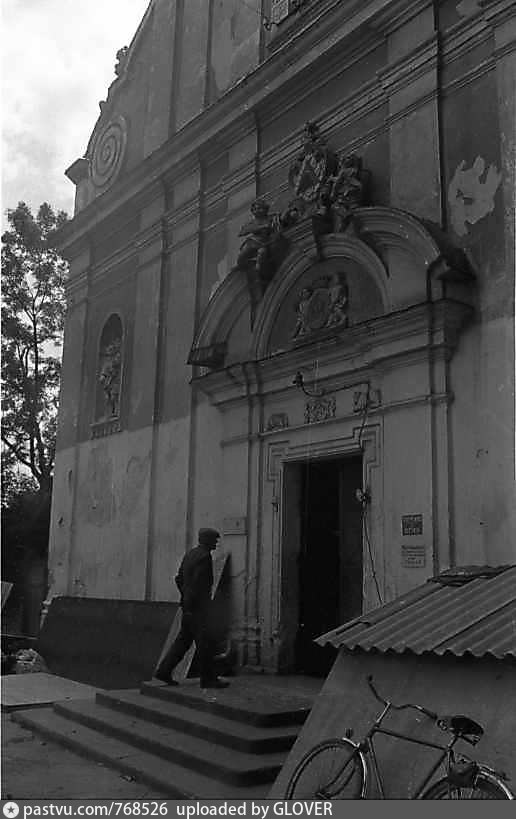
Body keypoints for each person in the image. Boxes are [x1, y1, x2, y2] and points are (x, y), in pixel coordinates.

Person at [154, 528, 229, 689]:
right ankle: (208, 680)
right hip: (199, 609)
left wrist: (185, 597)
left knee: (183, 642)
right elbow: (198, 585)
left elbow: (178, 579)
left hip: (188, 607)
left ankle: (163, 671)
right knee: (205, 644)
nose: (216, 543)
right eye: (214, 540)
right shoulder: (204, 557)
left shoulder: (190, 554)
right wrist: (199, 603)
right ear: (207, 540)